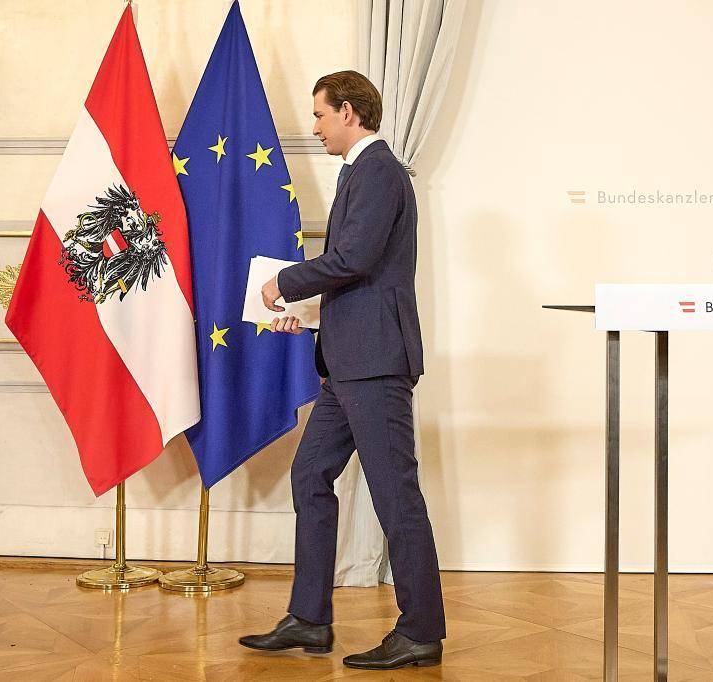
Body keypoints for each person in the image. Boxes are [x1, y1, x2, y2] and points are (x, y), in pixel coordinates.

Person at [238, 70, 445, 670]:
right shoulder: (363, 171)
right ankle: (309, 619)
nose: (315, 126)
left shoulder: (377, 169)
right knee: (310, 474)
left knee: (395, 493)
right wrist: (306, 315)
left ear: (348, 112)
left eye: (321, 114)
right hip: (350, 361)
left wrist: (286, 282)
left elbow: (353, 258)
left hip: (375, 364)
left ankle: (421, 630)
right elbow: (362, 275)